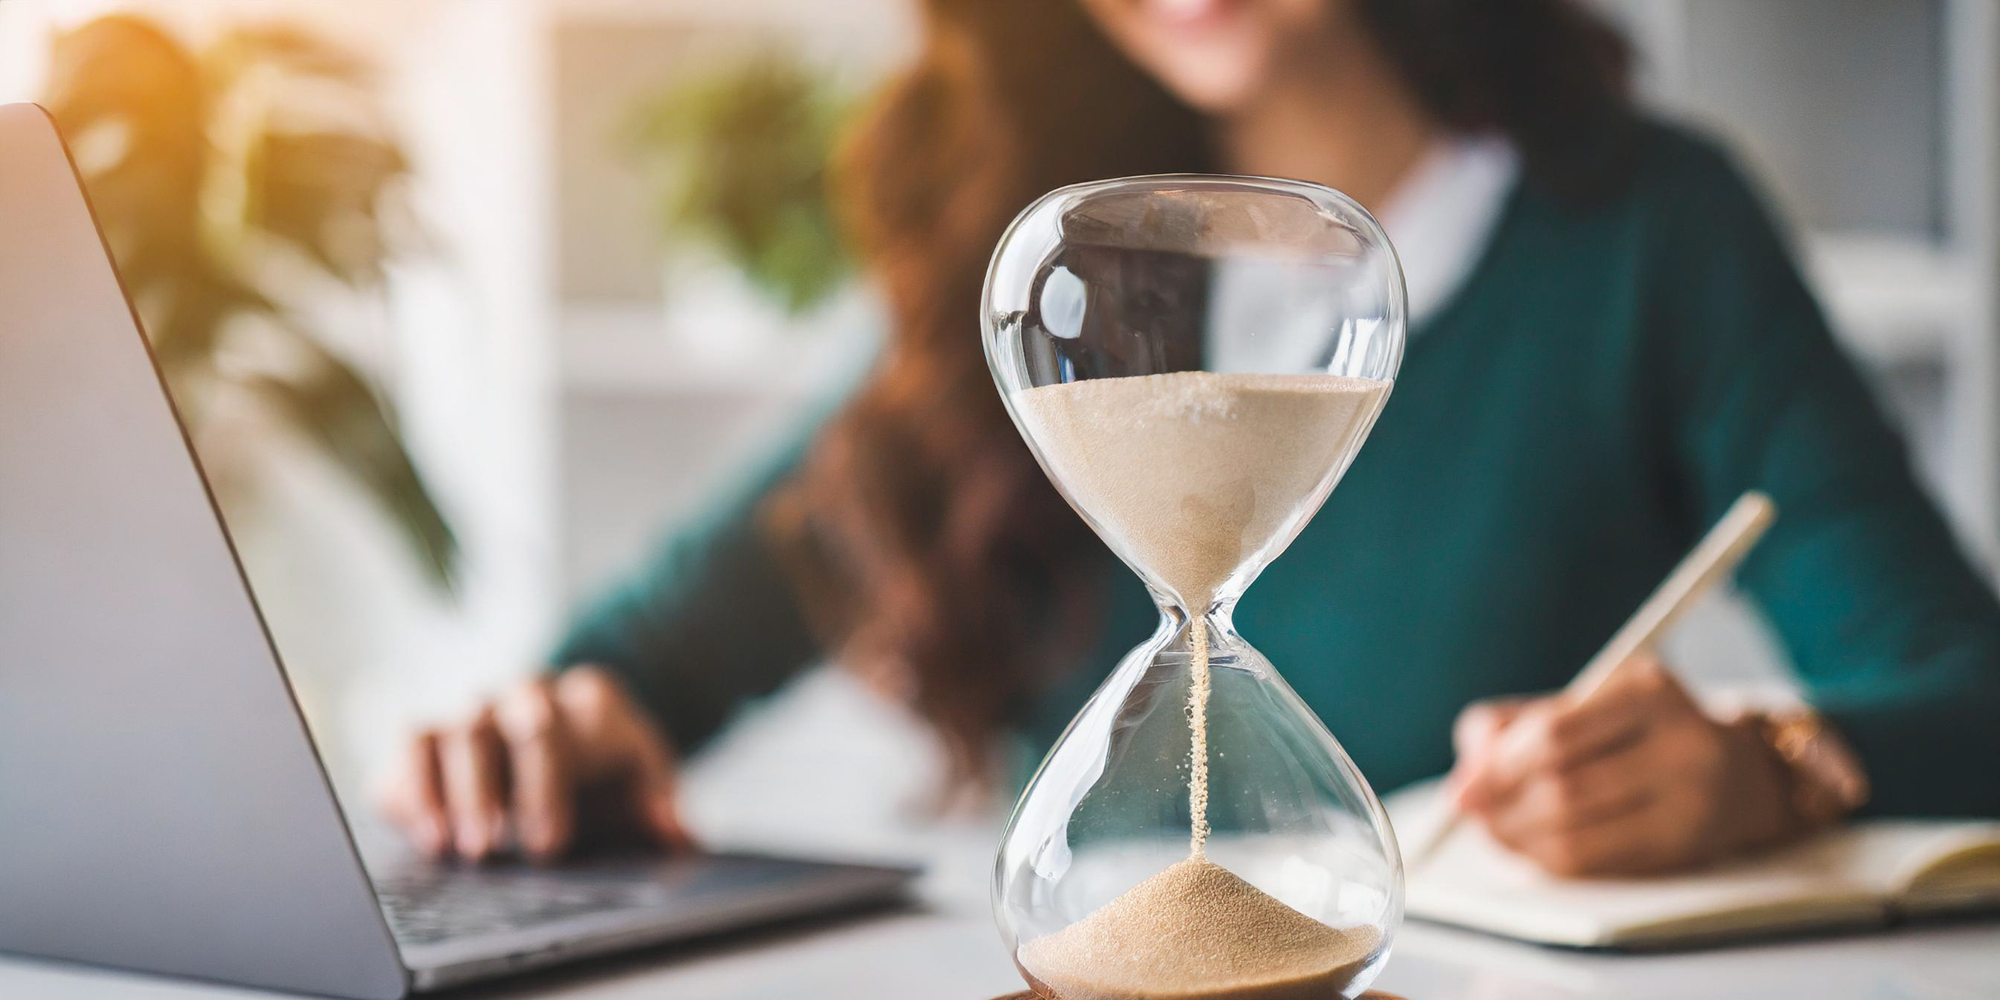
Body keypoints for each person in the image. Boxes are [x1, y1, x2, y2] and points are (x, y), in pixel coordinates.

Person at [379, 0, 2000, 876]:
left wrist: (1779, 768)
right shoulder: (1047, 266)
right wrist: (553, 733)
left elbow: (1968, 691)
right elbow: (676, 637)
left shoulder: (1644, 231)